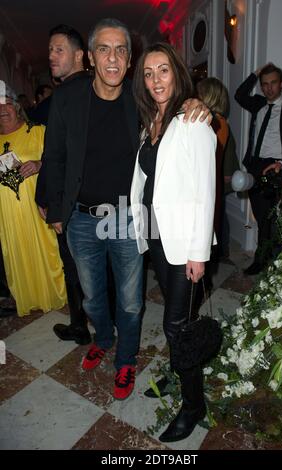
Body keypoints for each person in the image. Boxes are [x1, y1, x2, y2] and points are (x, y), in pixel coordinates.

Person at [42, 18, 211, 401]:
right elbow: (54, 155)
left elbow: (178, 112)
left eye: (121, 50)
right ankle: (102, 338)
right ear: (90, 57)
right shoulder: (68, 98)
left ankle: (127, 360)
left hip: (126, 216)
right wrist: (55, 209)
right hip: (82, 217)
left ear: (129, 58)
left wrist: (196, 102)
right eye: (104, 48)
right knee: (91, 297)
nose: (113, 58)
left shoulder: (140, 101)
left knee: (132, 300)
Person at [131, 43, 216, 442]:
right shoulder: (152, 119)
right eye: (148, 74)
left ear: (177, 72)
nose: (155, 81)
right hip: (158, 237)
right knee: (174, 319)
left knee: (176, 326)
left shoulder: (192, 118)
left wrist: (199, 254)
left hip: (183, 243)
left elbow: (205, 190)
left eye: (163, 71)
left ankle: (194, 404)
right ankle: (176, 374)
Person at [35, 24, 91, 345]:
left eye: (59, 50)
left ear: (79, 55)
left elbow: (55, 155)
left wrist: (50, 202)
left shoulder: (66, 94)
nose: (51, 56)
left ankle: (79, 326)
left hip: (69, 203)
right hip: (98, 201)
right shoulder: (101, 88)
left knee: (73, 267)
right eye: (50, 51)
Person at [0, 85, 66, 316]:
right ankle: (27, 298)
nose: (2, 109)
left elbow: (60, 161)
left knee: (45, 251)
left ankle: (53, 295)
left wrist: (39, 165)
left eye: (7, 103)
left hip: (36, 207)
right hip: (7, 214)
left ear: (17, 108)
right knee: (16, 255)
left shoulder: (37, 131)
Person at [235, 63, 282, 275]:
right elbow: (239, 94)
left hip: (278, 167)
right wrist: (255, 73)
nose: (269, 88)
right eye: (265, 85)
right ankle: (266, 259)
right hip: (256, 166)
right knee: (262, 215)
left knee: (275, 217)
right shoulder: (259, 104)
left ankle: (267, 260)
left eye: (273, 83)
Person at [197, 77, 229, 249]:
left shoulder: (216, 123)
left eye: (199, 93)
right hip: (211, 180)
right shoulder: (218, 121)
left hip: (208, 182)